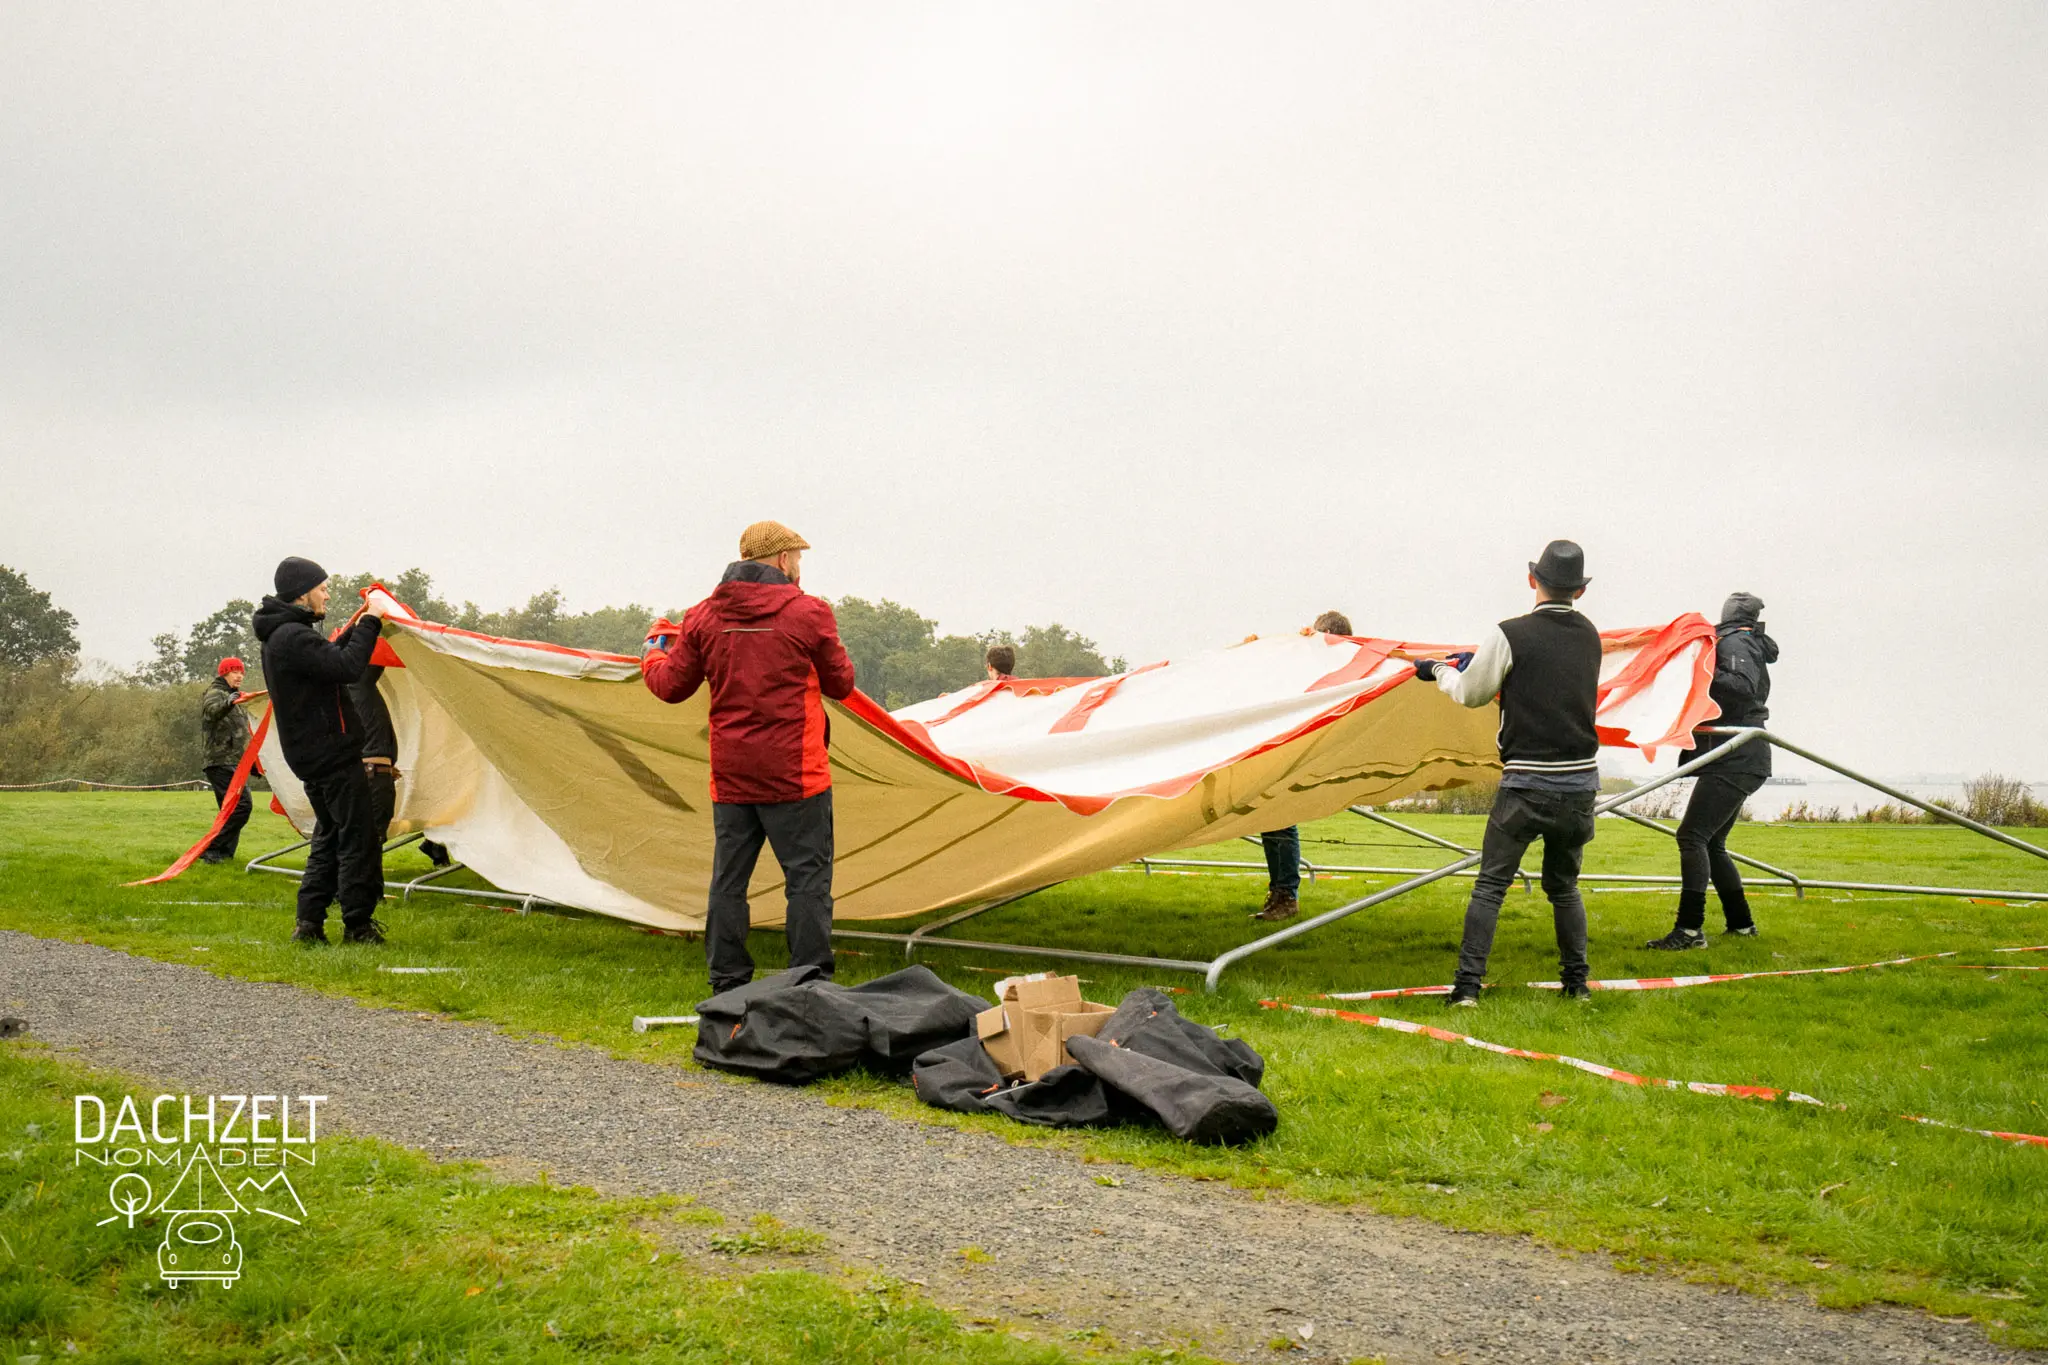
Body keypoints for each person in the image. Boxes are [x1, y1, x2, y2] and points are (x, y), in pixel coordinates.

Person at [642, 521, 858, 993]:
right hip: (797, 776)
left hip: (732, 776)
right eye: (797, 558)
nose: (799, 566)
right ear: (782, 559)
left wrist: (653, 652)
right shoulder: (809, 612)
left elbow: (670, 686)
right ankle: (808, 986)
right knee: (807, 882)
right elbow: (841, 683)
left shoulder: (702, 616)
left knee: (729, 882)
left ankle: (727, 984)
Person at [1414, 543, 1600, 1005]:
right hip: (1580, 783)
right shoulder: (1590, 636)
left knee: (1491, 886)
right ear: (1579, 590)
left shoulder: (1508, 633)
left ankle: (1467, 989)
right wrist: (1483, 662)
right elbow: (1548, 684)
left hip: (1527, 783)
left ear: (1532, 579)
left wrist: (1438, 670)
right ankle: (1577, 985)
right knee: (1565, 888)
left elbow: (1471, 694)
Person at [252, 557, 389, 945]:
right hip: (330, 753)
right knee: (358, 838)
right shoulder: (292, 637)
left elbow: (328, 660)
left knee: (328, 836)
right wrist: (372, 621)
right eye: (323, 589)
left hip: (313, 754)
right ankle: (358, 926)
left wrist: (357, 625)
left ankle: (309, 924)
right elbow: (347, 667)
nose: (327, 595)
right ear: (302, 594)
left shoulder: (285, 636)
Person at [1644, 592, 1780, 949]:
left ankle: (1689, 931)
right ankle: (1741, 925)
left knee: (1691, 837)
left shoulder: (1736, 641)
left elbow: (1741, 687)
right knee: (1713, 842)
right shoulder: (1742, 640)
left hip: (1735, 757)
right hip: (1738, 756)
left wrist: (1698, 668)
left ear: (1730, 614)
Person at [1252, 610, 1353, 922]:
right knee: (1272, 819)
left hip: (1300, 751)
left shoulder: (1341, 664)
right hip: (1288, 749)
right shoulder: (1315, 662)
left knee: (1281, 819)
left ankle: (1286, 894)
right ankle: (1280, 892)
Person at [347, 664, 452, 867]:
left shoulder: (346, 694)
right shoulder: (356, 684)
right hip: (372, 778)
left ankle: (351, 884)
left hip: (372, 774)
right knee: (366, 848)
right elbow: (371, 661)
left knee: (361, 845)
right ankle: (355, 886)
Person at [197, 657, 259, 864]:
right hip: (220, 760)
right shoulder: (216, 693)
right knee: (242, 806)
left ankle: (222, 856)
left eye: (241, 672)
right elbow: (212, 711)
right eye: (234, 672)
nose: (239, 676)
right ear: (224, 673)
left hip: (233, 761)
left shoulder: (236, 697)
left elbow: (239, 735)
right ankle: (212, 849)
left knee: (231, 811)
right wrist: (228, 702)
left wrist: (251, 764)